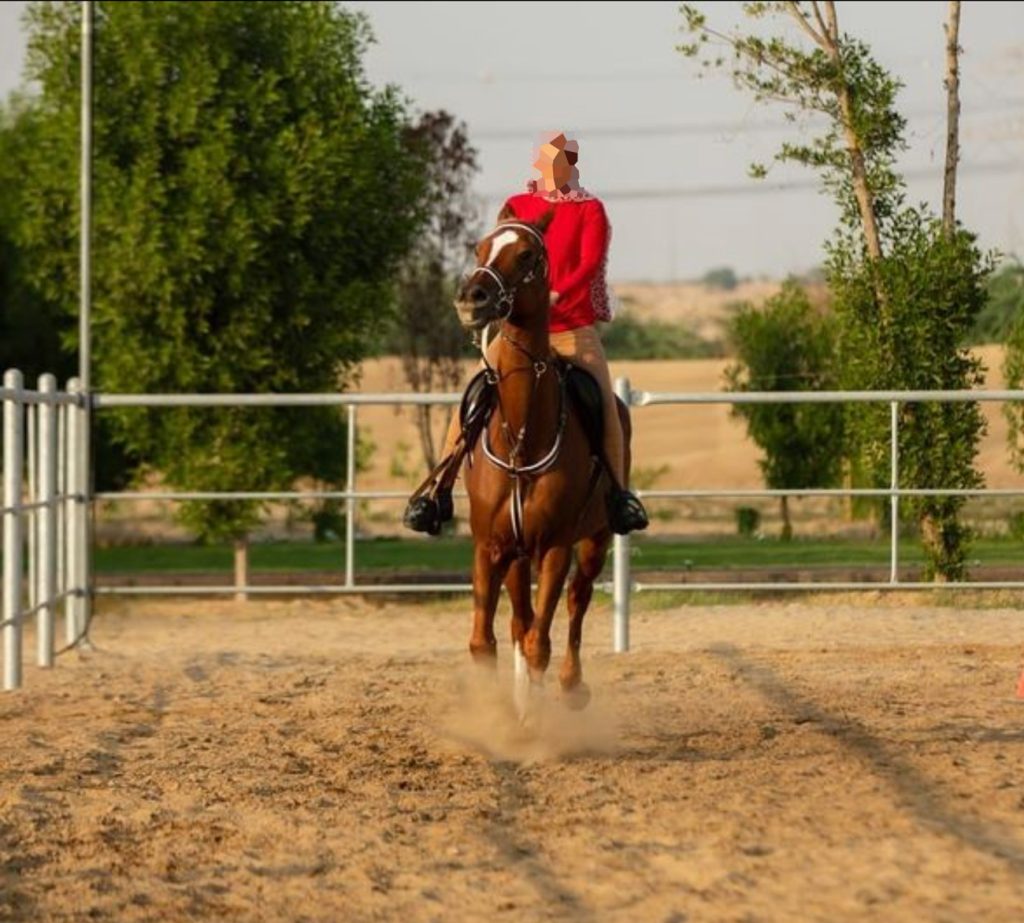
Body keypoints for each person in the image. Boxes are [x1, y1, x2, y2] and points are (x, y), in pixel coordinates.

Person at [403, 132, 649, 536]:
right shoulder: (518, 206)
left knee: (606, 404)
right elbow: (500, 259)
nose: (550, 169)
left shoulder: (590, 210)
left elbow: (586, 265)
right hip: (519, 331)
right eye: (545, 160)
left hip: (570, 327)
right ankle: (438, 490)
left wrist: (557, 295)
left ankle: (619, 496)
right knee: (473, 396)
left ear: (570, 165)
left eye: (558, 161)